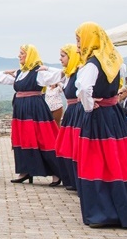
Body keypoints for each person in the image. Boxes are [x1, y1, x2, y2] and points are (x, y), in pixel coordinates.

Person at [74, 21, 127, 229]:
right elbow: (118, 86)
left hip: (99, 116)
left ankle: (106, 210)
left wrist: (88, 106)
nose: (77, 45)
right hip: (114, 115)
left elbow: (85, 89)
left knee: (99, 159)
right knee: (121, 158)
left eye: (79, 40)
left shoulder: (92, 64)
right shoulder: (113, 61)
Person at [0, 45, 63, 186]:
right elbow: (2, 78)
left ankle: (56, 173)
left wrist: (49, 69)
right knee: (23, 139)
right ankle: (25, 171)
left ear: (29, 56)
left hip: (35, 109)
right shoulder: (20, 73)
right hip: (21, 110)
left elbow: (61, 75)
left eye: (22, 53)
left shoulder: (38, 72)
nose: (19, 56)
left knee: (43, 139)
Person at [53, 44, 83, 192]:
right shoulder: (70, 73)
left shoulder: (79, 72)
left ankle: (78, 180)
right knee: (65, 147)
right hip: (71, 112)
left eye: (63, 56)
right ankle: (70, 179)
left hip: (78, 111)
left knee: (74, 147)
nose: (60, 58)